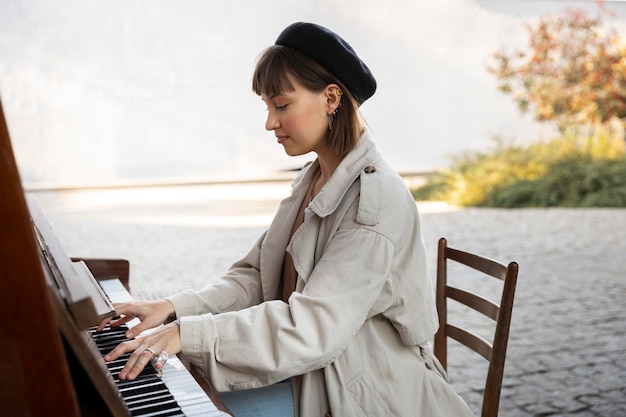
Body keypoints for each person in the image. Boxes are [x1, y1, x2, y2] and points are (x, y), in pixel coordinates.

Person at [100, 22, 475, 417]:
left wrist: (186, 334)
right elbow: (255, 275)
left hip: (363, 391)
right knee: (186, 383)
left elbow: (311, 327)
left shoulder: (375, 204)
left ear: (332, 99)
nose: (269, 123)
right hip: (316, 372)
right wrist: (174, 309)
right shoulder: (313, 179)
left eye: (281, 105)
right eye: (266, 107)